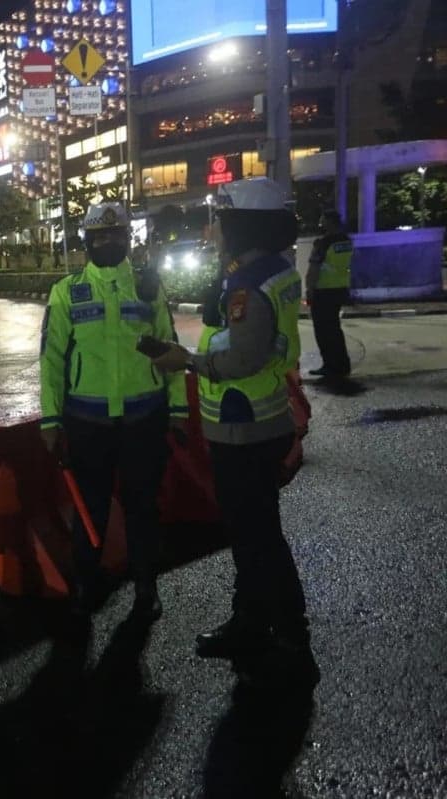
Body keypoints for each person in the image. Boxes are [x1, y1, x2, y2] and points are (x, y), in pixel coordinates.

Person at [151, 177, 319, 688]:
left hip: (243, 427)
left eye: (222, 220)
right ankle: (249, 622)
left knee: (259, 538)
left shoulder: (250, 284)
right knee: (250, 536)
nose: (215, 229)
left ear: (242, 223)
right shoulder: (276, 271)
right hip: (263, 422)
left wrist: (189, 361)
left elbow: (241, 357)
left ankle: (291, 635)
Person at [39, 202, 188, 621]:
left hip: (145, 416)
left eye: (114, 235)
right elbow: (51, 360)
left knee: (144, 507)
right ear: (86, 241)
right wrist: (50, 420)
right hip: (88, 422)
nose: (106, 242)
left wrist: (177, 410)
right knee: (92, 508)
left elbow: (170, 351)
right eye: (98, 236)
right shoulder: (66, 291)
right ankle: (88, 585)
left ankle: (146, 586)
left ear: (127, 239)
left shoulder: (147, 288)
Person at [306, 209, 353, 378]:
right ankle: (343, 364)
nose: (320, 223)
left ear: (328, 222)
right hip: (340, 289)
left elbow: (314, 268)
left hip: (323, 290)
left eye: (322, 220)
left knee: (323, 331)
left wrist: (309, 289)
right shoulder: (346, 241)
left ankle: (330, 365)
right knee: (335, 329)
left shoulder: (323, 243)